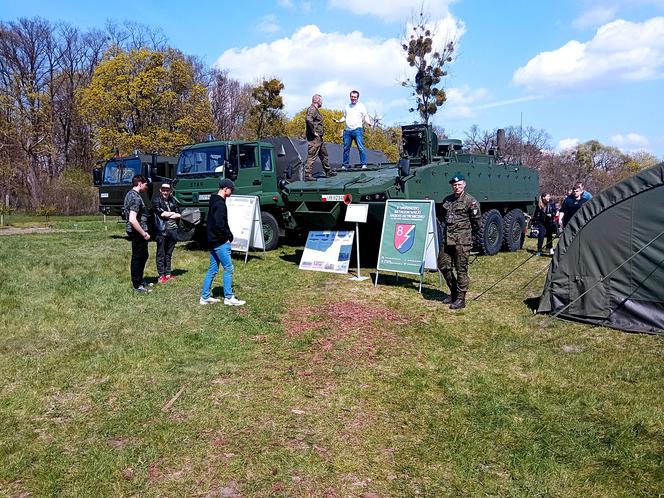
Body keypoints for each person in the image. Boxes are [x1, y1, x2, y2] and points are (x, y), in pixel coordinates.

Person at [437, 173, 481, 309]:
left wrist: (466, 235)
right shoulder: (447, 200)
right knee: (443, 265)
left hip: (462, 241)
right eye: (454, 185)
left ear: (464, 184)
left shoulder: (470, 201)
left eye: (459, 184)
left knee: (461, 269)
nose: (457, 187)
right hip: (447, 239)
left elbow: (477, 223)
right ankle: (454, 292)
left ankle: (461, 299)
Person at [200, 178, 246, 306]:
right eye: (231, 189)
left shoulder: (214, 201)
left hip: (213, 241)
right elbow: (220, 224)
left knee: (212, 270)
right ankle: (229, 297)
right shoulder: (220, 204)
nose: (232, 192)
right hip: (220, 242)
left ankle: (205, 297)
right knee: (229, 268)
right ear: (225, 189)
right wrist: (227, 236)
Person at [123, 174, 151, 293]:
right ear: (140, 183)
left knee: (143, 255)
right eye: (146, 185)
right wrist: (143, 233)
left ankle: (139, 280)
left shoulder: (130, 194)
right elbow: (133, 219)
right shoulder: (135, 197)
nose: (147, 187)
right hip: (137, 231)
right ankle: (137, 285)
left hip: (136, 230)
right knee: (138, 257)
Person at [152, 183, 181, 283]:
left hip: (173, 230)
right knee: (161, 253)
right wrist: (172, 214)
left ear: (170, 191)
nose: (165, 192)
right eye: (163, 190)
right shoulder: (156, 200)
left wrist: (172, 214)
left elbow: (179, 214)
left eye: (167, 190)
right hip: (162, 230)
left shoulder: (173, 200)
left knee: (169, 253)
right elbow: (162, 214)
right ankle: (161, 275)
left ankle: (168, 274)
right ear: (160, 190)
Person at [335, 90, 372, 169]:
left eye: (355, 97)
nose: (353, 98)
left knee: (360, 147)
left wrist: (368, 122)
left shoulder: (361, 106)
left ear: (357, 98)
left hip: (357, 130)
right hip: (348, 131)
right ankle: (345, 165)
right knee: (346, 148)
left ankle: (363, 164)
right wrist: (338, 121)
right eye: (352, 97)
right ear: (350, 97)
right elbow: (344, 117)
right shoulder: (347, 106)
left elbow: (365, 116)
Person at [304, 94, 337, 181]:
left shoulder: (316, 110)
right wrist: (313, 131)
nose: (322, 102)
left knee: (323, 154)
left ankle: (328, 171)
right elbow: (308, 119)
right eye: (321, 100)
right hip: (314, 138)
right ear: (317, 100)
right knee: (312, 155)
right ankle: (307, 175)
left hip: (319, 138)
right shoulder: (312, 109)